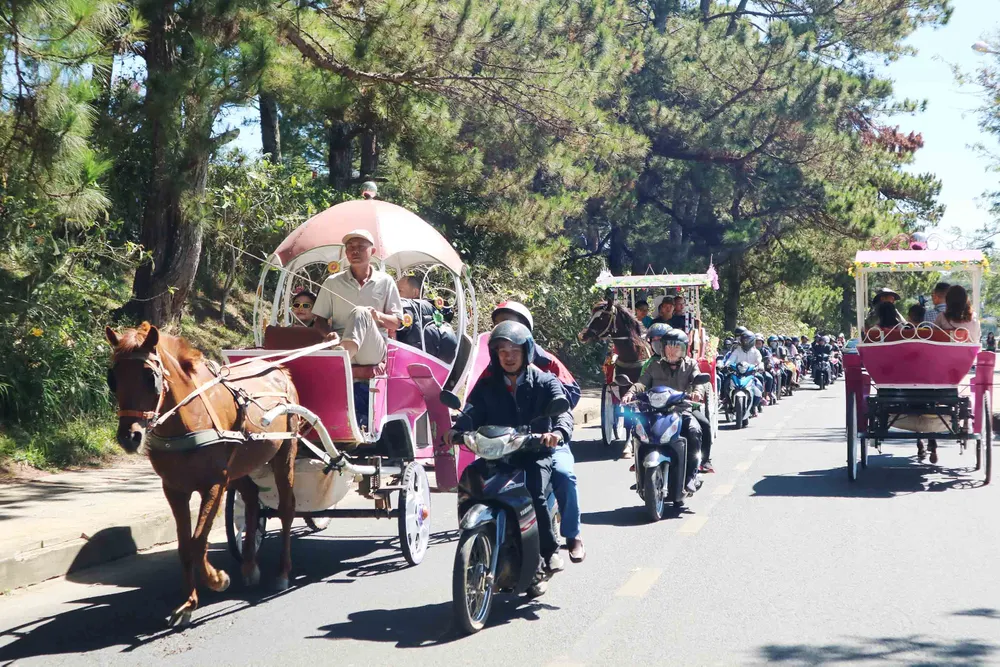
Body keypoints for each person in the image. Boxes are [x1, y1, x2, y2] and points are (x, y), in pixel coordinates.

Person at [449, 321, 574, 594]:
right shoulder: (487, 384)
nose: (508, 356)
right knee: (472, 480)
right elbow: (471, 411)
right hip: (497, 454)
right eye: (501, 350)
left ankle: (548, 551)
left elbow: (563, 412)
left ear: (527, 351)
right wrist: (458, 430)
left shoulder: (544, 380)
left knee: (533, 491)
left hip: (532, 453)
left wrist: (558, 432)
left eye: (514, 350)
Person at [490, 300, 585, 561]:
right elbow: (476, 401)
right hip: (506, 440)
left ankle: (572, 534)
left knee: (564, 476)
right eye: (500, 324)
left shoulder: (547, 365)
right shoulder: (492, 366)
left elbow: (569, 398)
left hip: (545, 439)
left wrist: (553, 427)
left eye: (514, 323)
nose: (509, 354)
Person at [622, 329, 711, 487]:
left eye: (676, 347)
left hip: (683, 409)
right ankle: (640, 469)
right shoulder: (654, 365)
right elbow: (642, 383)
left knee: (697, 428)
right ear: (662, 348)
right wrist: (630, 393)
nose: (672, 351)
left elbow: (699, 382)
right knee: (638, 428)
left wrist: (697, 392)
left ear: (683, 349)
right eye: (668, 347)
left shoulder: (691, 364)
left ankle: (694, 472)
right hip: (655, 410)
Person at [312, 229, 403, 365]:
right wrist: (328, 334)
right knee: (358, 316)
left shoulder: (385, 281)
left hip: (372, 349)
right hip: (339, 343)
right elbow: (319, 321)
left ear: (372, 251)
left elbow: (396, 323)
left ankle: (342, 357)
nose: (355, 251)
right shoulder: (332, 282)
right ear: (346, 252)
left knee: (361, 312)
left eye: (361, 247)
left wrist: (377, 316)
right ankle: (344, 352)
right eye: (351, 247)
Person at [396, 275, 458, 362]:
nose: (395, 295)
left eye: (399, 291)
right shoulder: (435, 309)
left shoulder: (407, 307)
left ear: (415, 293)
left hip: (412, 362)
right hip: (440, 366)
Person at [724, 330, 764, 415]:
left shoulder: (755, 351)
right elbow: (731, 359)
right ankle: (727, 401)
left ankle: (755, 405)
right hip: (737, 374)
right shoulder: (737, 350)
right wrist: (727, 365)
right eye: (744, 340)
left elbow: (759, 361)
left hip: (751, 374)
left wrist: (760, 366)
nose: (745, 342)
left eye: (747, 340)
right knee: (726, 382)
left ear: (752, 341)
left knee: (759, 385)